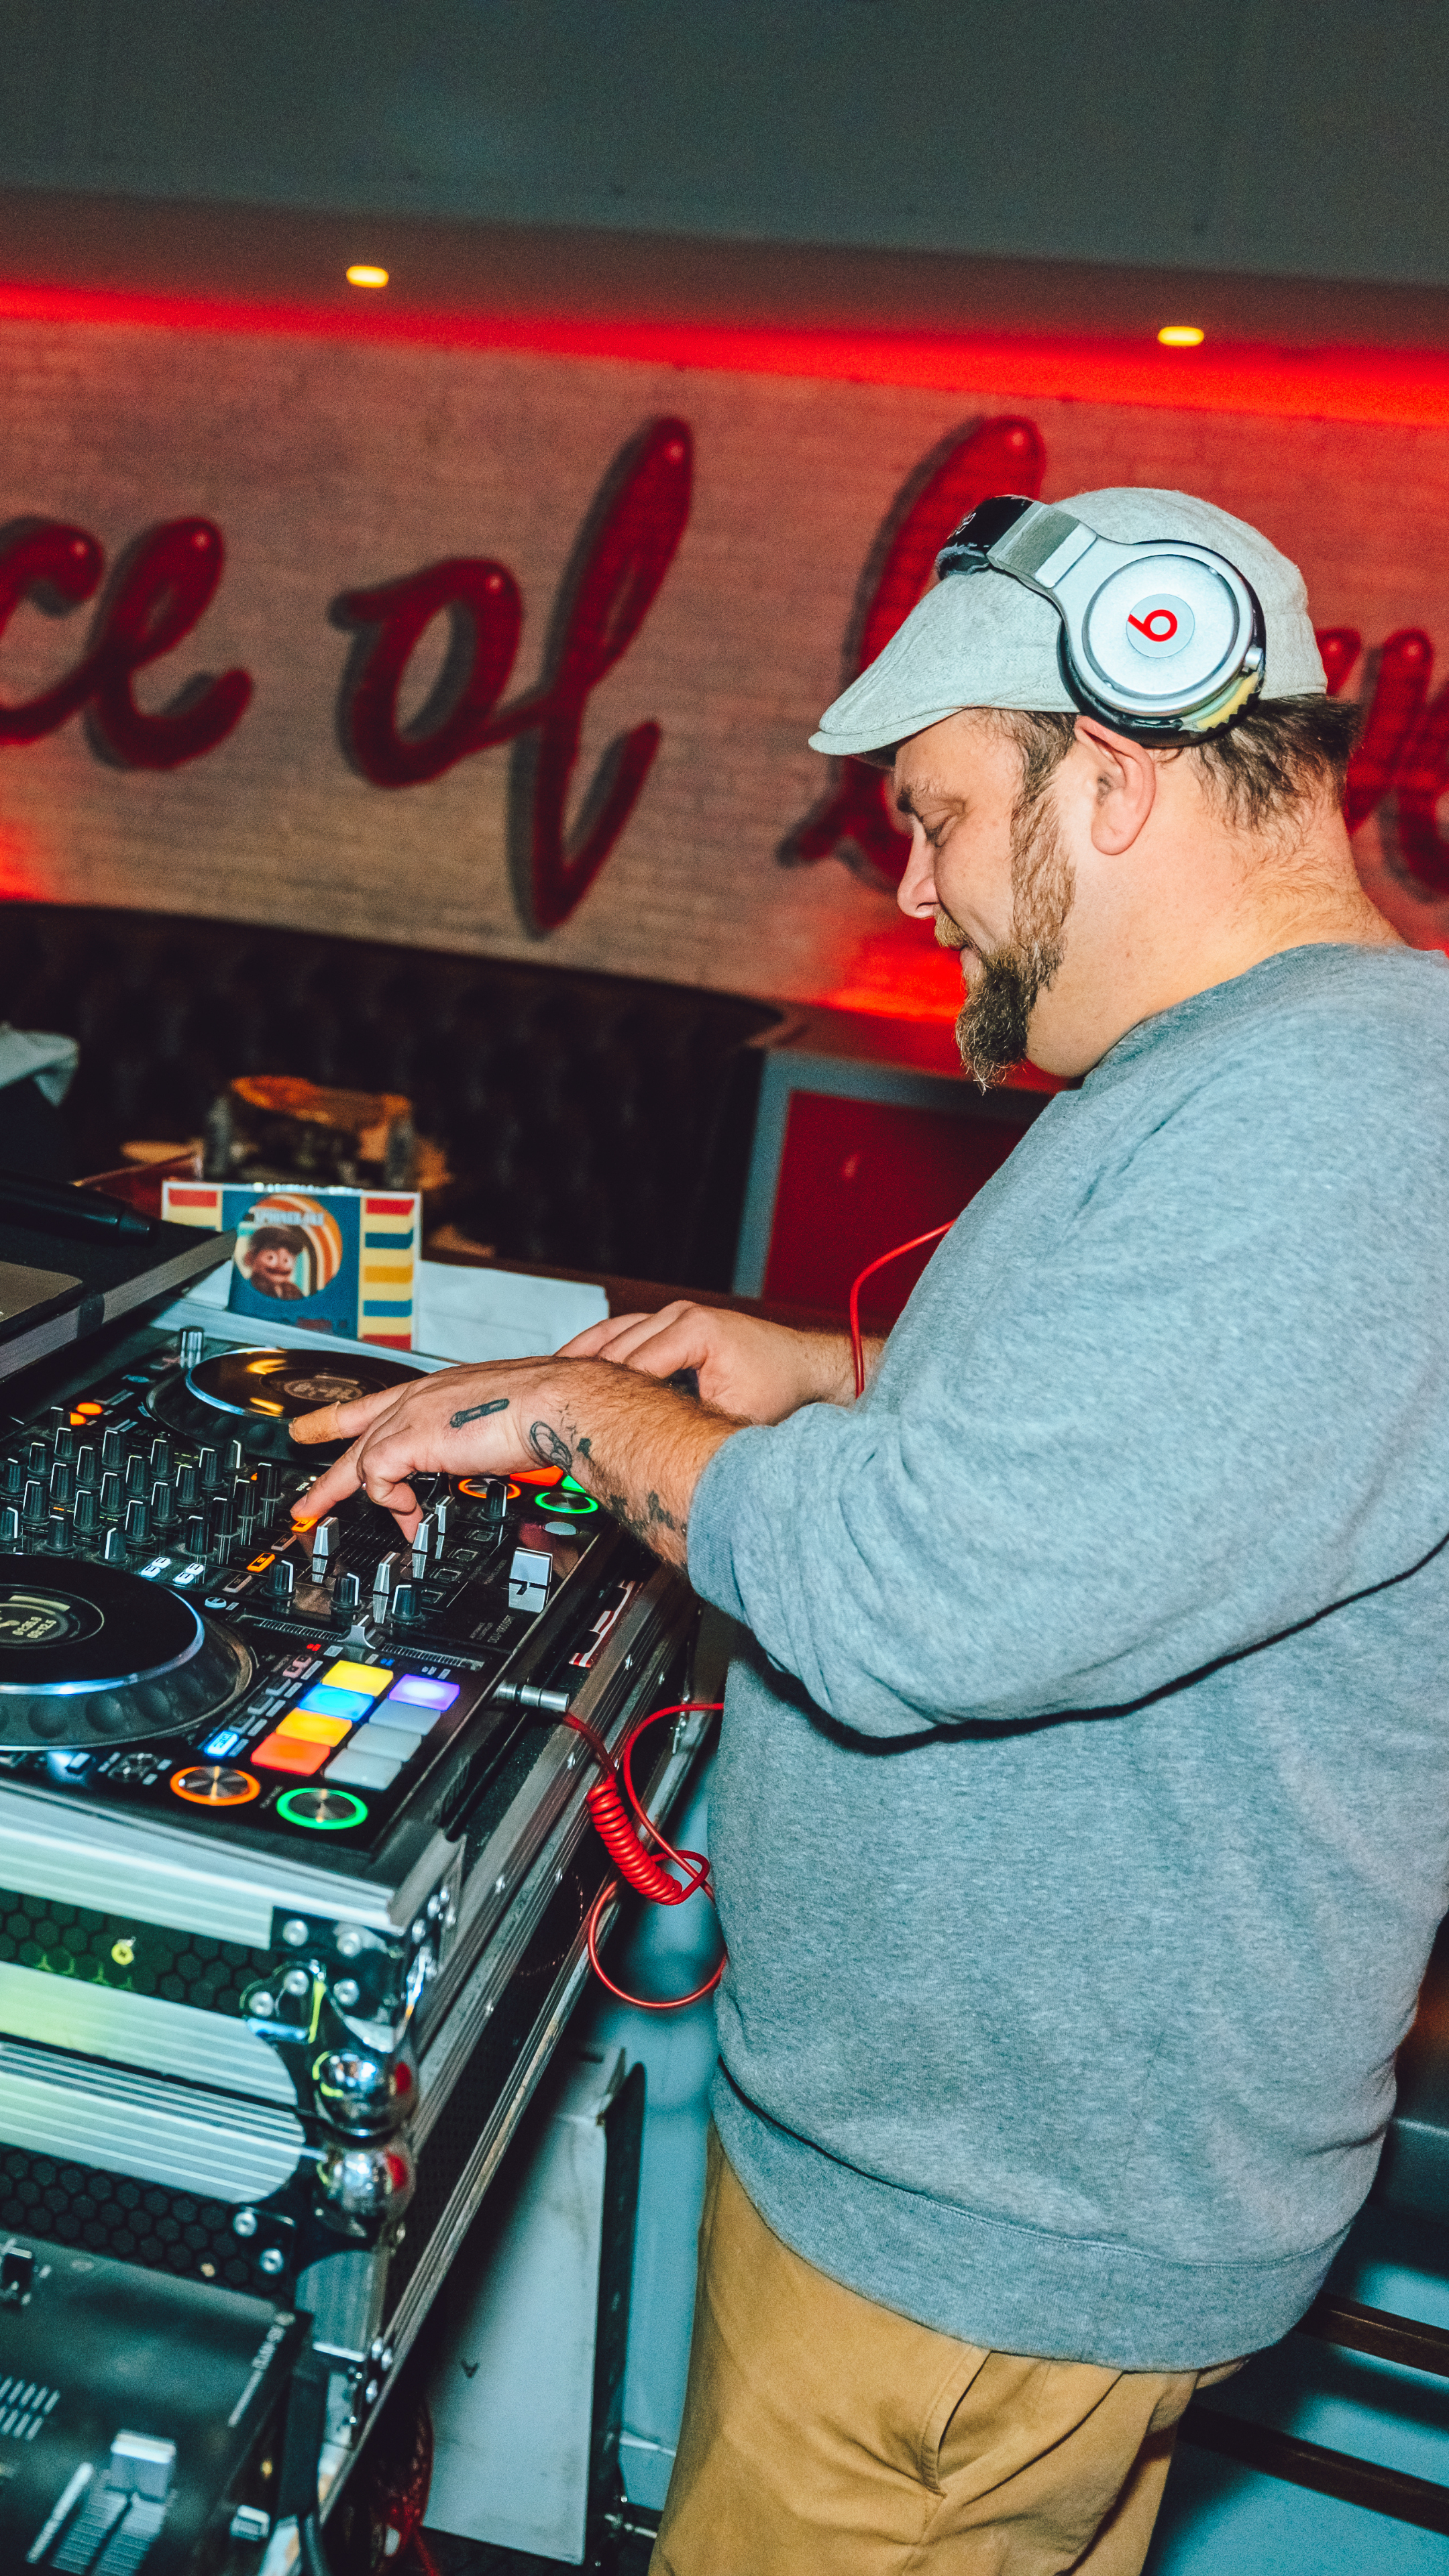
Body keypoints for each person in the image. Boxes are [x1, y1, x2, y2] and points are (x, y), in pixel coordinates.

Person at [292, 488, 1449, 2576]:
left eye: (936, 815)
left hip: (980, 2257)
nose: (913, 888)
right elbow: (1165, 1460)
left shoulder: (1336, 1121)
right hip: (986, 2226)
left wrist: (579, 1411)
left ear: (1113, 774)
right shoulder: (1273, 1083)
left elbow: (933, 1593)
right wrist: (819, 1375)